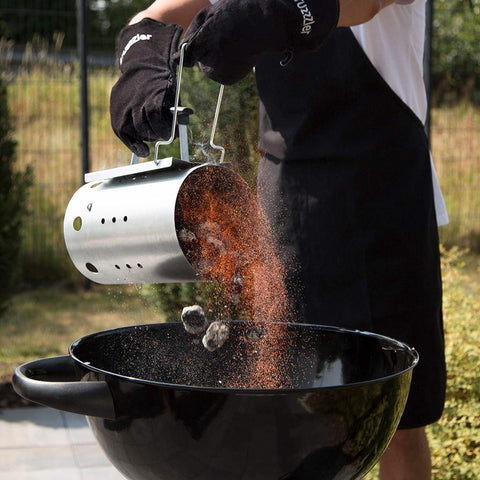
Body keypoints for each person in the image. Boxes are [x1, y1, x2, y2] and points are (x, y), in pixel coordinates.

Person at [109, 1, 448, 478]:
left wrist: (285, 9)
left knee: (397, 417)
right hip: (286, 197)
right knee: (288, 402)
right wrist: (141, 57)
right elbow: (155, 15)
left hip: (383, 194)